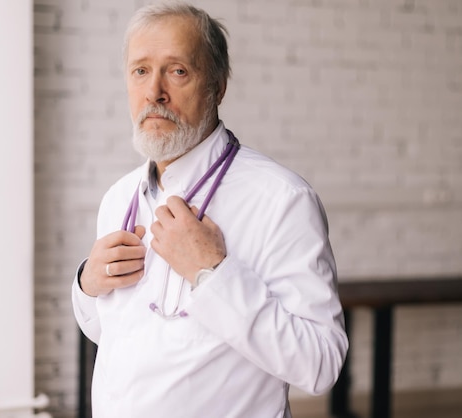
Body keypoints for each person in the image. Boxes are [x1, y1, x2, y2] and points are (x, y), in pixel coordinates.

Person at [71, 1, 348, 417]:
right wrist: (87, 285)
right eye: (140, 71)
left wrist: (213, 273)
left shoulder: (282, 200)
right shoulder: (119, 197)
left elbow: (320, 364)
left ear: (217, 86)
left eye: (177, 70)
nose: (154, 92)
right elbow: (109, 330)